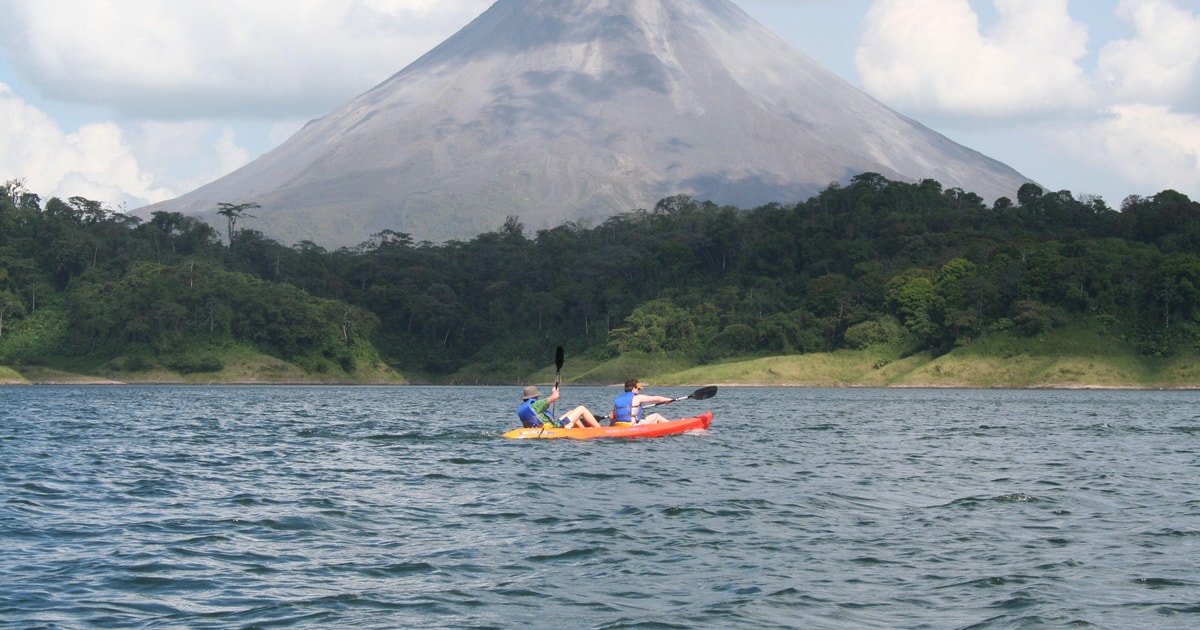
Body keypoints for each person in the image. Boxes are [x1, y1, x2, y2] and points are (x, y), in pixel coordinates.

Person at [517, 385, 601, 429]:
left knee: (571, 413)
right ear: (536, 396)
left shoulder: (523, 409)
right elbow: (555, 396)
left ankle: (583, 432)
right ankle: (599, 429)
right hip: (556, 426)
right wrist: (555, 390)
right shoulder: (536, 404)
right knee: (581, 408)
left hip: (546, 427)